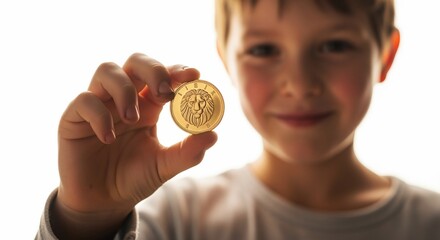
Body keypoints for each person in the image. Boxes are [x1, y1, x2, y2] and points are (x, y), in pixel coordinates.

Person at [36, 0, 440, 239]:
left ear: (386, 55)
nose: (299, 84)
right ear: (226, 57)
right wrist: (86, 219)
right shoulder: (172, 221)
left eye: (335, 45)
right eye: (264, 50)